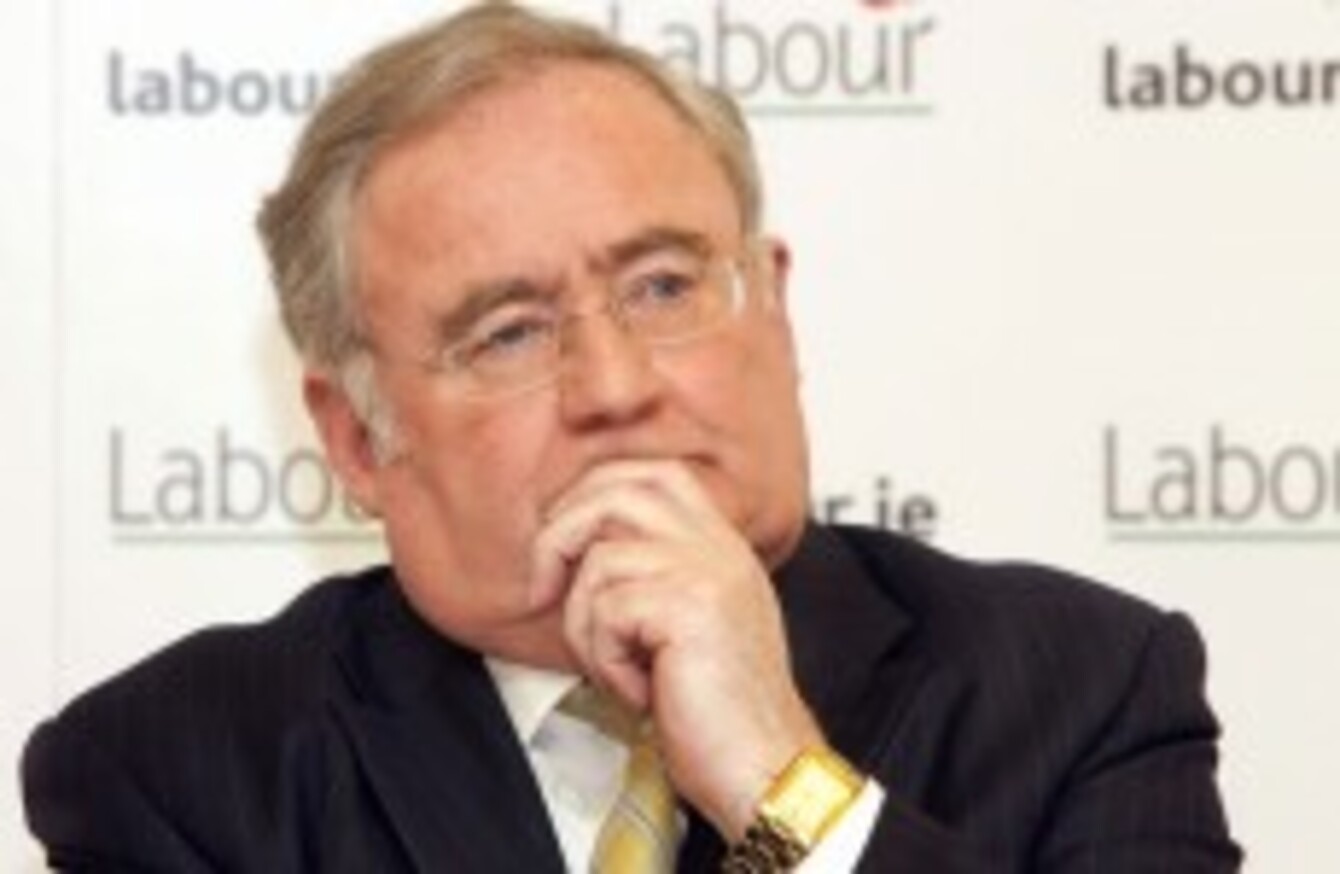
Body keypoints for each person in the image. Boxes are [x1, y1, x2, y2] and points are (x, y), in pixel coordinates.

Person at [22, 3, 1241, 871]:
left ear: (774, 309)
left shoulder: (1080, 687)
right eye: (506, 333)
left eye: (662, 287)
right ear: (353, 439)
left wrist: (783, 792)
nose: (613, 387)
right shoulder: (182, 770)